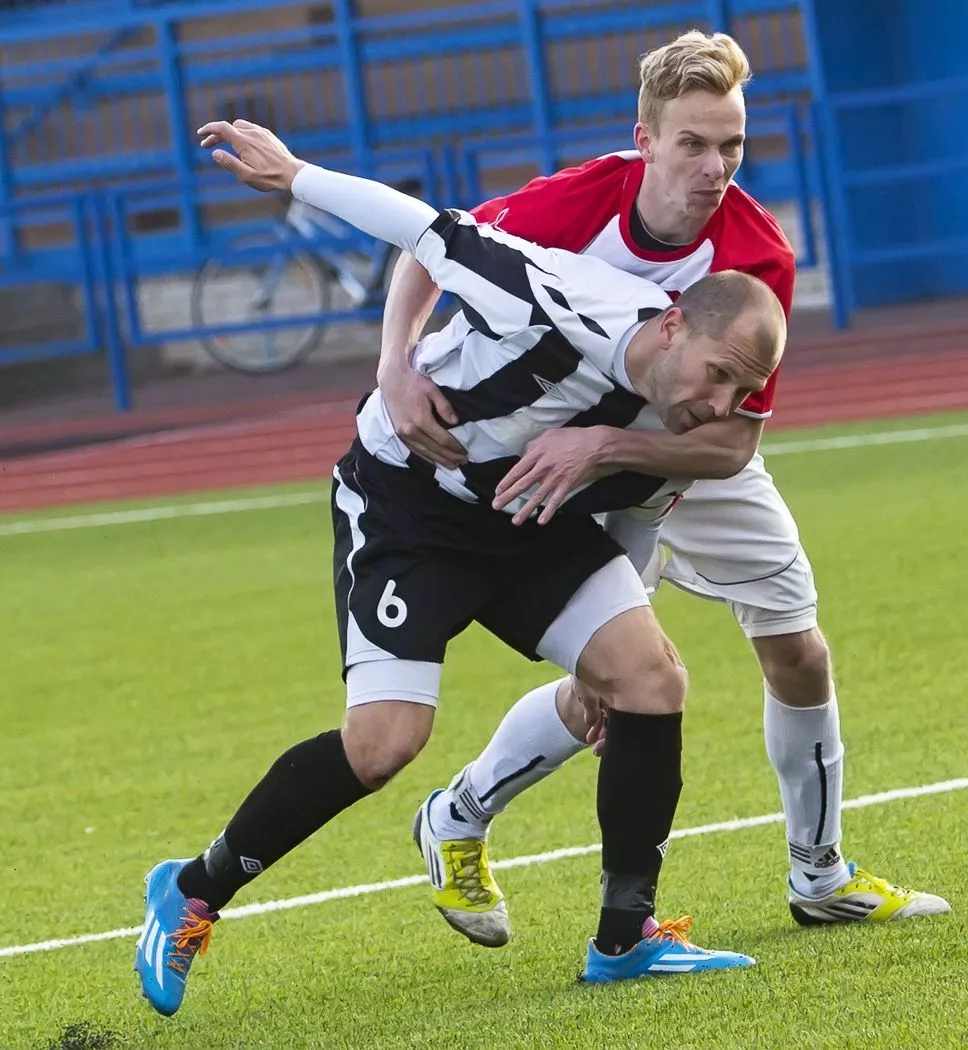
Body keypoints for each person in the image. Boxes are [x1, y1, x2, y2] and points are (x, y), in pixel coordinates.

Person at [134, 117, 787, 1017]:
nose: (720, 404)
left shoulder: (671, 423)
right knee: (384, 745)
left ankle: (624, 937)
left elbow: (638, 515)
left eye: (741, 392)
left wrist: (605, 659)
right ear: (672, 325)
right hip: (409, 507)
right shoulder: (558, 294)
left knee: (650, 680)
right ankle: (193, 890)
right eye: (717, 375)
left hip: (527, 520)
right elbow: (423, 228)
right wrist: (295, 176)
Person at [385, 30, 950, 946]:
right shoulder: (578, 201)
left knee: (799, 651)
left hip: (683, 453)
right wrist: (397, 368)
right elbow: (427, 247)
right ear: (645, 140)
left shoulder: (758, 254)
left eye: (732, 145)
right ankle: (457, 814)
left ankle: (820, 875)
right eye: (694, 143)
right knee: (609, 693)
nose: (716, 167)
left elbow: (732, 441)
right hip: (563, 457)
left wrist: (608, 444)